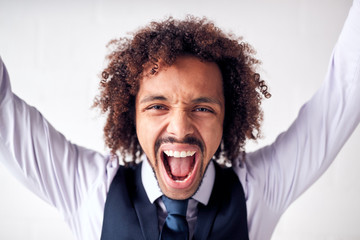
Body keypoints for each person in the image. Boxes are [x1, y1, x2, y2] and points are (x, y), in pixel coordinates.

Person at [1, 1, 359, 239]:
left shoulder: (257, 190)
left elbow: (347, 86)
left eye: (203, 108)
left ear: (226, 118)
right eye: (158, 106)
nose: (180, 128)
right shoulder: (87, 189)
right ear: (132, 115)